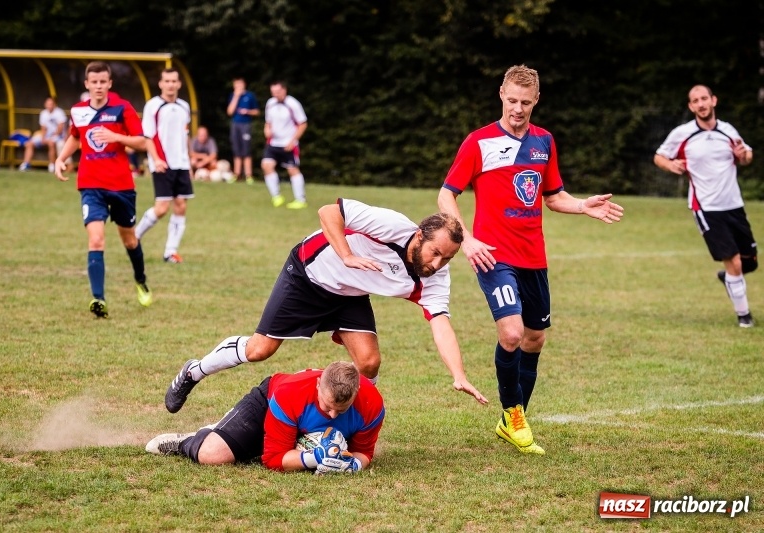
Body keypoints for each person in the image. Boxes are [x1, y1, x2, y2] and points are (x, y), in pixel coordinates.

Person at [437, 64, 624, 455]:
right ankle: (515, 416)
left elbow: (553, 197)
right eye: (512, 100)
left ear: (536, 100)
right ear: (500, 95)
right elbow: (446, 195)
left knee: (535, 339)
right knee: (512, 334)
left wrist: (582, 206)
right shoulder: (479, 142)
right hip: (492, 256)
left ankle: (511, 419)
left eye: (526, 102)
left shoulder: (545, 142)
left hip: (533, 258)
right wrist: (467, 240)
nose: (518, 109)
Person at [163, 197, 489, 414]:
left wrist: (458, 374)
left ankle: (350, 423)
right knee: (260, 350)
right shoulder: (390, 225)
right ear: (418, 236)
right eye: (435, 252)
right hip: (308, 275)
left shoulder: (434, 278)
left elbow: (440, 323)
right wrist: (347, 255)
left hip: (348, 294)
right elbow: (328, 212)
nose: (438, 263)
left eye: (448, 258)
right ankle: (194, 371)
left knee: (369, 362)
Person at [147, 361, 384, 473]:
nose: (332, 415)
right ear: (318, 383)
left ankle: (231, 435)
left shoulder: (371, 406)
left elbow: (363, 452)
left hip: (298, 425)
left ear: (356, 393)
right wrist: (314, 458)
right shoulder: (290, 394)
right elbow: (272, 460)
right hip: (268, 403)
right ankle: (189, 440)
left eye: (340, 410)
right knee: (212, 454)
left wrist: (353, 465)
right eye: (327, 406)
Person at [53, 61, 152, 318]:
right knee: (96, 239)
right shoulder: (78, 111)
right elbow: (76, 137)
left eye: (102, 82)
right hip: (90, 184)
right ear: (87, 84)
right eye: (93, 82)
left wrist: (116, 137)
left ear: (109, 83)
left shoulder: (122, 109)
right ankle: (98, 299)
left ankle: (140, 280)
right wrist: (61, 158)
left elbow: (142, 141)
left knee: (129, 240)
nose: (98, 86)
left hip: (121, 185)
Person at [654, 85, 756, 328]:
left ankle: (729, 279)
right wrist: (671, 166)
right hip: (706, 207)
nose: (700, 104)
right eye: (695, 101)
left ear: (713, 101)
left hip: (734, 205)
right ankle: (744, 317)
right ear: (691, 107)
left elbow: (747, 156)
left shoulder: (728, 130)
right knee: (733, 261)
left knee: (749, 262)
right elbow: (659, 156)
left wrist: (743, 156)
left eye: (704, 99)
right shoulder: (683, 133)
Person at [136, 68, 193, 264]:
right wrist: (156, 159)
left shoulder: (184, 106)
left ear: (179, 84)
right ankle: (134, 237)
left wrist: (189, 162)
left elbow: (185, 136)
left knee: (181, 206)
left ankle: (170, 251)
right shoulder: (153, 106)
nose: (170, 84)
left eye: (174, 81)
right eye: (167, 81)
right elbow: (148, 136)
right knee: (161, 208)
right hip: (162, 163)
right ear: (160, 84)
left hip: (182, 163)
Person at [262, 81, 308, 209]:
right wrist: (266, 130)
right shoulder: (270, 103)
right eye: (273, 92)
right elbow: (268, 122)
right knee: (266, 165)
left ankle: (300, 199)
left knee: (292, 170)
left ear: (284, 90)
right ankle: (276, 196)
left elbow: (303, 124)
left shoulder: (293, 104)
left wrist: (293, 141)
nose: (275, 95)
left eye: (277, 92)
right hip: (273, 143)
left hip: (288, 143)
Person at [19, 96, 68, 173]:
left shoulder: (59, 112)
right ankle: (26, 164)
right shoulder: (43, 113)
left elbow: (60, 127)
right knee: (29, 143)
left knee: (51, 143)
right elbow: (43, 127)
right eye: (47, 104)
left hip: (58, 136)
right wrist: (43, 137)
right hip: (47, 136)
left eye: (51, 104)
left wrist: (52, 136)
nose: (49, 105)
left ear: (54, 104)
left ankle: (52, 165)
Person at [226, 77, 260, 184]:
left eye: (240, 84)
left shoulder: (250, 96)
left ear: (244, 84)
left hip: (246, 125)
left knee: (246, 150)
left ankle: (249, 175)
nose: (238, 87)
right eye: (236, 85)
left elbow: (257, 112)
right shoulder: (233, 96)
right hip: (235, 124)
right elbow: (230, 112)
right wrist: (236, 96)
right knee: (236, 150)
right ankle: (237, 174)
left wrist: (248, 112)